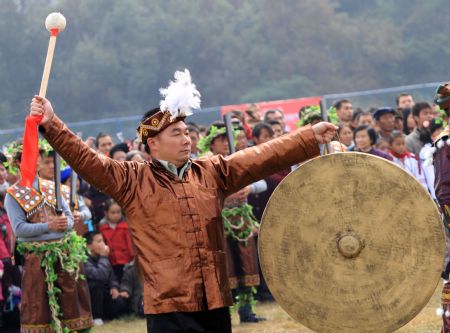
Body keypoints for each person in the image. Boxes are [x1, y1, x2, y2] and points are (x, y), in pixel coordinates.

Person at [30, 69, 336, 333]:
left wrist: (307, 137)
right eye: (176, 133)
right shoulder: (131, 180)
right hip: (168, 305)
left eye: (187, 132)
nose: (187, 139)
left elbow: (258, 157)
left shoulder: (211, 171)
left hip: (215, 298)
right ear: (153, 143)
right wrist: (52, 122)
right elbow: (88, 160)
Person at [4, 140, 92, 333]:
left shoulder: (55, 187)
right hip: (37, 259)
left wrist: (65, 223)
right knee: (38, 307)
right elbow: (19, 229)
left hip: (65, 255)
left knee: (73, 305)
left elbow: (69, 220)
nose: (36, 161)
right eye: (30, 157)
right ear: (19, 162)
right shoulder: (13, 194)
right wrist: (49, 225)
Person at [199, 121, 267, 323]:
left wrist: (249, 189)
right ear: (212, 144)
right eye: (221, 140)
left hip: (242, 220)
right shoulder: (204, 164)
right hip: (218, 221)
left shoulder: (239, 159)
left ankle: (247, 311)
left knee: (247, 264)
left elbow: (262, 181)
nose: (226, 143)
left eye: (227, 139)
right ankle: (224, 316)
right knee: (224, 267)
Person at [84, 231, 125, 325]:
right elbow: (100, 275)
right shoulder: (84, 259)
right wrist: (103, 257)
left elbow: (112, 277)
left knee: (120, 302)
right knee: (96, 285)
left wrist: (114, 287)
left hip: (104, 295)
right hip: (91, 297)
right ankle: (96, 317)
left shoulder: (101, 257)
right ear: (88, 246)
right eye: (99, 241)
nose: (103, 244)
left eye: (103, 241)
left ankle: (106, 316)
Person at [99, 199, 134, 281]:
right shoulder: (102, 227)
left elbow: (130, 245)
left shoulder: (126, 226)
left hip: (126, 261)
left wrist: (133, 259)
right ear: (106, 213)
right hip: (110, 262)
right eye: (113, 212)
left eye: (118, 212)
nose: (116, 215)